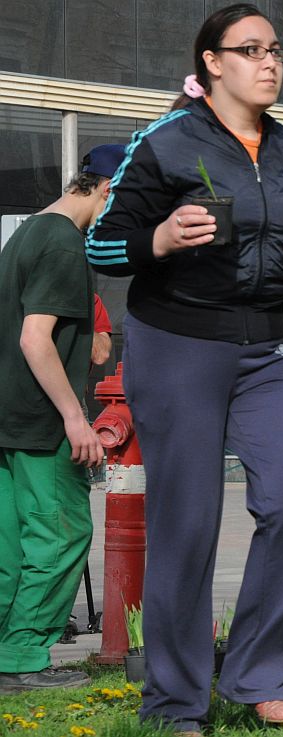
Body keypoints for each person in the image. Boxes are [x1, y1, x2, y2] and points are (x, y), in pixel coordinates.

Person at [85, 5, 283, 732]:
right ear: (212, 62)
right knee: (189, 522)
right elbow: (101, 244)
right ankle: (175, 700)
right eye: (251, 50)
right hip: (177, 342)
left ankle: (258, 672)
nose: (269, 63)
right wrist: (162, 238)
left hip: (267, 345)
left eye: (276, 51)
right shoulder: (165, 141)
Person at [0, 145, 119, 694]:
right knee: (61, 535)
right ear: (106, 189)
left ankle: (8, 653)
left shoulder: (25, 233)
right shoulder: (65, 242)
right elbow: (35, 338)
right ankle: (23, 657)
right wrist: (74, 417)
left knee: (11, 546)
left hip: (9, 418)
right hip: (43, 422)